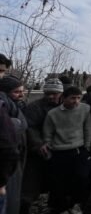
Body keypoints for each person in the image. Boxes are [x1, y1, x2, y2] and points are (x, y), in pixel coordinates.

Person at [42, 86, 91, 214]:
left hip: (79, 150)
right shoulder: (53, 114)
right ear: (63, 98)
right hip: (59, 151)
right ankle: (60, 208)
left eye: (78, 98)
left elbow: (88, 129)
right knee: (60, 183)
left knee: (81, 178)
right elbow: (48, 132)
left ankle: (75, 205)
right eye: (72, 98)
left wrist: (86, 147)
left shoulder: (85, 109)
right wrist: (47, 144)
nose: (76, 101)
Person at [20, 79, 64, 214]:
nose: (51, 96)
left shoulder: (66, 107)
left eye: (54, 94)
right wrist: (39, 144)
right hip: (37, 153)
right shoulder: (35, 107)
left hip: (60, 152)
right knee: (29, 189)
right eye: (48, 93)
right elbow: (30, 128)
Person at [0, 75, 27, 214]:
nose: (21, 95)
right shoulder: (5, 106)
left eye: (22, 91)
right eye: (17, 92)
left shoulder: (17, 106)